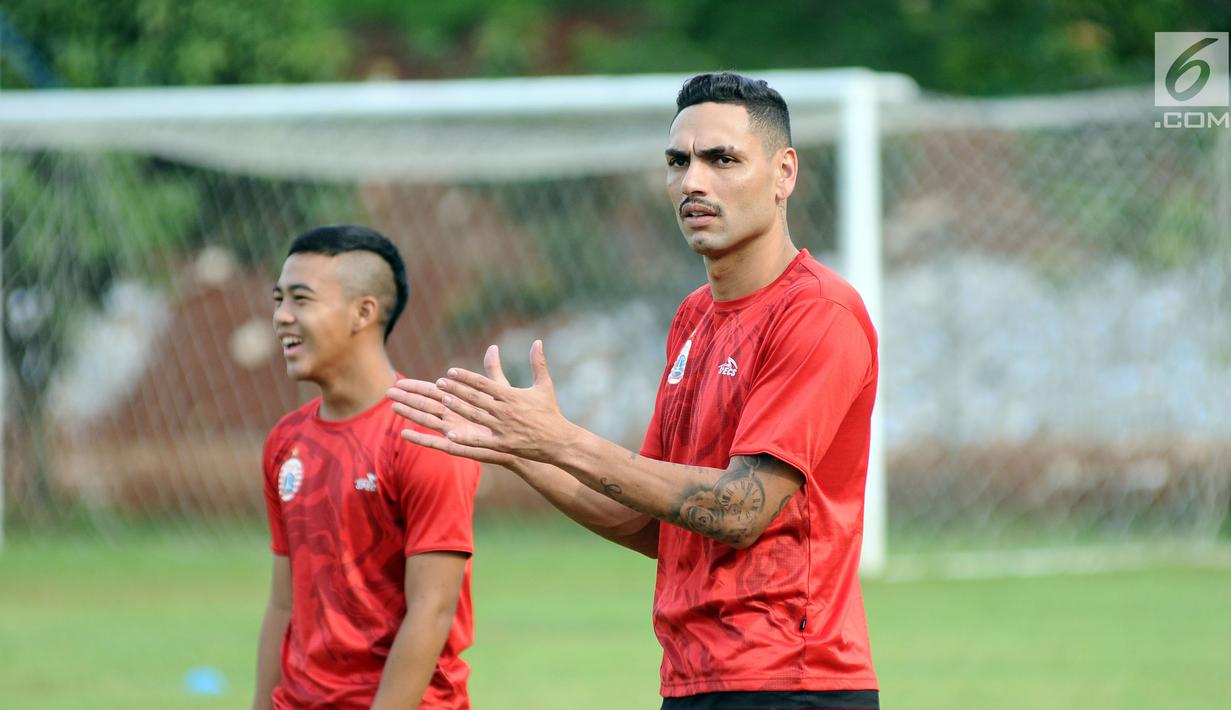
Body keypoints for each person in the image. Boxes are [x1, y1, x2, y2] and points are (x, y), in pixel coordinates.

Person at [389, 72, 879, 710]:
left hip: (792, 681)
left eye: (722, 159)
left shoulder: (817, 312)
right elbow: (651, 523)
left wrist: (561, 440)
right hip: (693, 678)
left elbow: (740, 510)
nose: (693, 182)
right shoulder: (694, 317)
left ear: (784, 173)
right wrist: (524, 451)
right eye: (678, 162)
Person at [254, 225, 480, 710]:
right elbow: (283, 603)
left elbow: (432, 609)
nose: (282, 316)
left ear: (363, 312)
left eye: (301, 299)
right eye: (278, 299)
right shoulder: (285, 442)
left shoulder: (425, 435)